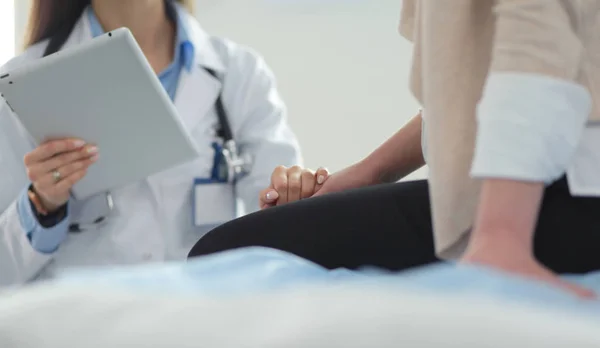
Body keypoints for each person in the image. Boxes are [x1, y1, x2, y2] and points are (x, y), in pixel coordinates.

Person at [189, 0, 600, 298]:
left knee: (231, 256)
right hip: (560, 176)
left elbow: (537, 41)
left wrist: (502, 234)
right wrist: (369, 172)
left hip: (577, 187)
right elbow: (475, 86)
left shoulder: (238, 71)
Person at [0, 0, 302, 286]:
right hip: (88, 326)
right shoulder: (23, 84)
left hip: (205, 320)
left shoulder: (240, 74)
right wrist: (42, 205)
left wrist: (290, 195)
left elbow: (283, 222)